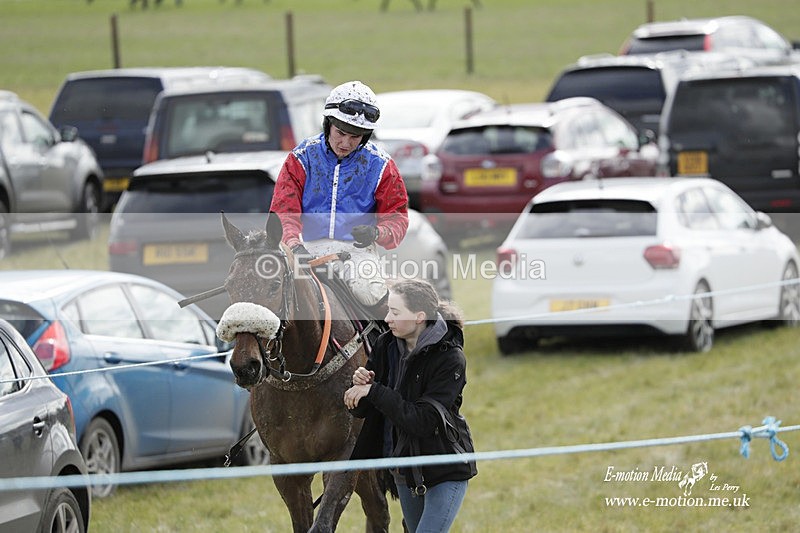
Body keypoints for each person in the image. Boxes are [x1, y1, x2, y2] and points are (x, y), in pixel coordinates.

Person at [344, 279, 477, 532]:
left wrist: (375, 391)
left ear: (419, 317)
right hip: (404, 471)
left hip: (444, 469)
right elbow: (367, 410)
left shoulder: (450, 358)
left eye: (395, 312)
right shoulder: (386, 344)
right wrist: (359, 389)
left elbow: (423, 421)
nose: (387, 318)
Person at [269, 80, 409, 315]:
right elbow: (283, 211)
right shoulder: (300, 158)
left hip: (355, 252)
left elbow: (397, 219)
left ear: (365, 137)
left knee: (370, 292)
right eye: (340, 133)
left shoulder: (382, 166)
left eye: (355, 137)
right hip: (303, 247)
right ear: (327, 125)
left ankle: (386, 350)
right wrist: (293, 245)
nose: (345, 143)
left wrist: (377, 233)